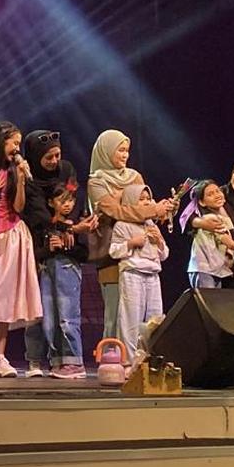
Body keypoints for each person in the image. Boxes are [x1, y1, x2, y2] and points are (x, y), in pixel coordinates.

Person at [21, 130, 95, 379]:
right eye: (49, 157)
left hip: (67, 253)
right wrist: (62, 229)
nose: (54, 161)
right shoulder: (30, 179)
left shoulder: (66, 170)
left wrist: (70, 227)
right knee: (44, 314)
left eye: (57, 155)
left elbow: (73, 198)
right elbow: (37, 214)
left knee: (66, 312)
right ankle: (49, 360)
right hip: (41, 248)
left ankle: (71, 361)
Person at [0, 121, 41, 378]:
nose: (17, 148)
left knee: (5, 296)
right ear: (0, 141)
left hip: (11, 233)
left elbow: (19, 207)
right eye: (14, 142)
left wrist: (21, 180)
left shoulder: (14, 169)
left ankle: (1, 355)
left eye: (19, 143)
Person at [86, 129, 168, 341]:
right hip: (113, 253)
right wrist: (151, 209)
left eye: (127, 150)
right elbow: (116, 212)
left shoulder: (135, 176)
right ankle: (114, 356)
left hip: (141, 256)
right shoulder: (97, 181)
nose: (125, 155)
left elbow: (144, 206)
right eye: (120, 150)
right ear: (106, 151)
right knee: (115, 315)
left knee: (146, 318)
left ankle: (141, 357)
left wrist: (162, 210)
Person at [109, 185, 170, 365]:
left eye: (148, 198)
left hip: (153, 275)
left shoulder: (151, 224)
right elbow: (114, 251)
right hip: (132, 274)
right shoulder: (122, 225)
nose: (146, 202)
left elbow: (164, 255)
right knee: (131, 319)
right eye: (141, 199)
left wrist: (159, 241)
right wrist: (131, 243)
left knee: (155, 318)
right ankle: (128, 361)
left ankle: (152, 361)